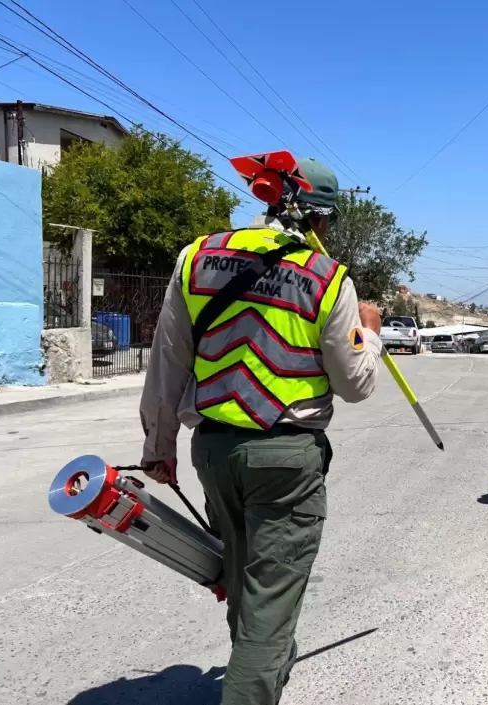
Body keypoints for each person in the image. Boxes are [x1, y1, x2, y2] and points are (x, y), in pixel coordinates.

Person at [138, 157, 383, 705]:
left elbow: (167, 362)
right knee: (270, 602)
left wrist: (158, 447)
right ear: (320, 219)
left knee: (244, 580)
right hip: (285, 460)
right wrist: (371, 333)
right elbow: (356, 385)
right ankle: (257, 675)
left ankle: (260, 667)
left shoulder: (196, 258)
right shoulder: (327, 278)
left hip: (213, 452)